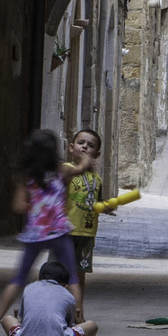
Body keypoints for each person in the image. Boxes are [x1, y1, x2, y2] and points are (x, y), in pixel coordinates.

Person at [0, 129, 94, 336]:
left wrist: (36, 206)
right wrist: (86, 158)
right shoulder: (61, 172)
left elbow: (18, 206)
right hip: (59, 231)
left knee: (19, 278)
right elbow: (82, 168)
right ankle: (79, 323)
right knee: (73, 278)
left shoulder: (27, 178)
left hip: (35, 234)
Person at [4, 261, 99, 336]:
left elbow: (23, 320)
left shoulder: (29, 288)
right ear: (65, 285)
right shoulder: (68, 296)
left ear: (39, 278)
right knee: (92, 325)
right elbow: (70, 324)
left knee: (7, 319)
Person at [64, 129, 104, 305]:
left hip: (86, 234)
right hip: (65, 231)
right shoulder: (67, 169)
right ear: (71, 148)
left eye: (91, 146)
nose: (85, 147)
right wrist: (82, 166)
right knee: (61, 273)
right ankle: (60, 312)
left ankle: (78, 314)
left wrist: (106, 207)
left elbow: (96, 204)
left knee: (80, 276)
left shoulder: (96, 179)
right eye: (81, 143)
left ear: (97, 154)